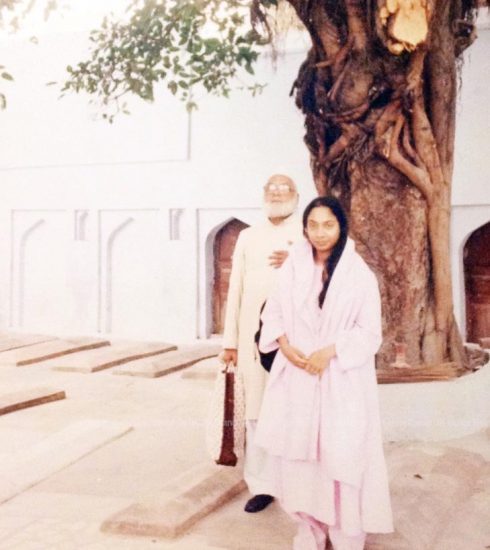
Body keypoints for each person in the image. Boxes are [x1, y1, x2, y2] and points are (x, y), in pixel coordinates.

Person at [255, 196, 393, 549]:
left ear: (341, 227)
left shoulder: (357, 273)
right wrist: (284, 345)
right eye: (313, 225)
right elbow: (273, 314)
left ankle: (345, 534)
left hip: (340, 380)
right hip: (297, 376)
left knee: (341, 453)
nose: (319, 233)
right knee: (299, 457)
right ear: (304, 228)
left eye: (328, 225)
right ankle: (310, 529)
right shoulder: (293, 267)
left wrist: (329, 352)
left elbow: (370, 333)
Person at [221, 174, 303, 513]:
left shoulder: (308, 234)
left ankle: (296, 484)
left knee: (293, 409)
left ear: (296, 196)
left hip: (293, 340)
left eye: (284, 189)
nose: (277, 194)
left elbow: (331, 274)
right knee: (256, 410)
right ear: (263, 195)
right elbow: (236, 289)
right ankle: (262, 485)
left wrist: (300, 261)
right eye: (271, 189)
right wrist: (230, 343)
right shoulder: (247, 236)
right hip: (250, 339)